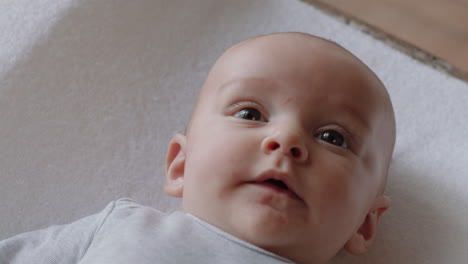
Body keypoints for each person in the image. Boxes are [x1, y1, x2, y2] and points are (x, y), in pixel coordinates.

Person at [0, 32, 396, 264]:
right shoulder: (124, 226)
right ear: (180, 166)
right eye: (250, 114)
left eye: (333, 138)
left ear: (364, 223)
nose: (287, 140)